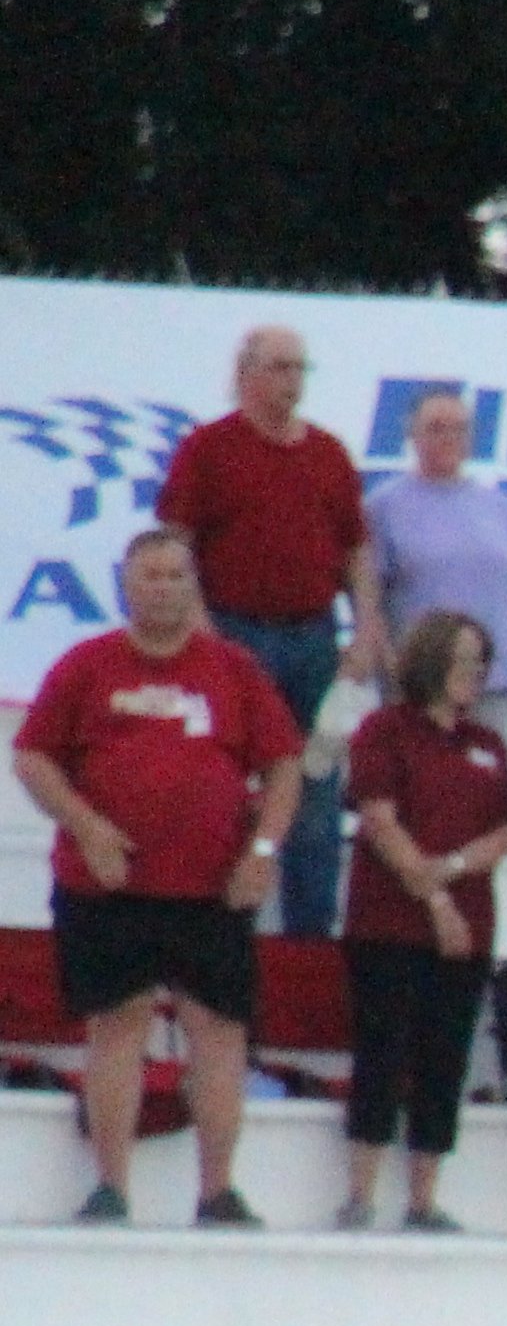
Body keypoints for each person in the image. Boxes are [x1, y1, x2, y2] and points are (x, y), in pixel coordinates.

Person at [15, 526, 302, 1227]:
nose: (164, 588)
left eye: (177, 576)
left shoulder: (233, 670)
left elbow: (286, 764)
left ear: (193, 585)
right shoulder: (87, 665)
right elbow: (33, 757)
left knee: (218, 1029)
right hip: (107, 885)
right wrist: (87, 826)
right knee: (119, 1023)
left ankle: (218, 1190)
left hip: (212, 888)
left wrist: (260, 854)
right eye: (151, 576)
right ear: (124, 585)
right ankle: (111, 1187)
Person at [155, 322, 366, 939]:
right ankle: (220, 925)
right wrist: (202, 634)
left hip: (313, 638)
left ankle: (308, 936)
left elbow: (355, 550)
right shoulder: (209, 449)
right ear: (246, 372)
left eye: (301, 369)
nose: (292, 382)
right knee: (228, 782)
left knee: (317, 785)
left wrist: (367, 630)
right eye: (281, 368)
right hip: (236, 634)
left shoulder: (327, 453)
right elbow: (177, 542)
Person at [337, 609, 507, 1233]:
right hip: (389, 924)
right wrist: (436, 897)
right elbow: (380, 820)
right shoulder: (385, 731)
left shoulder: (488, 746)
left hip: (468, 927)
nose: (473, 674)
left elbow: (506, 828)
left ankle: (423, 1197)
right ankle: (360, 1195)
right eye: (463, 659)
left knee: (446, 1059)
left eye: (482, 662)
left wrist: (455, 867)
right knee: (382, 1053)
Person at [355, 384, 507, 719]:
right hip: (419, 692)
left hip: (495, 689)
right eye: (435, 428)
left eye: (459, 429)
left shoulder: (500, 508)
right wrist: (391, 667)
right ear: (411, 434)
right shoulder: (383, 508)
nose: (448, 437)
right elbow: (368, 598)